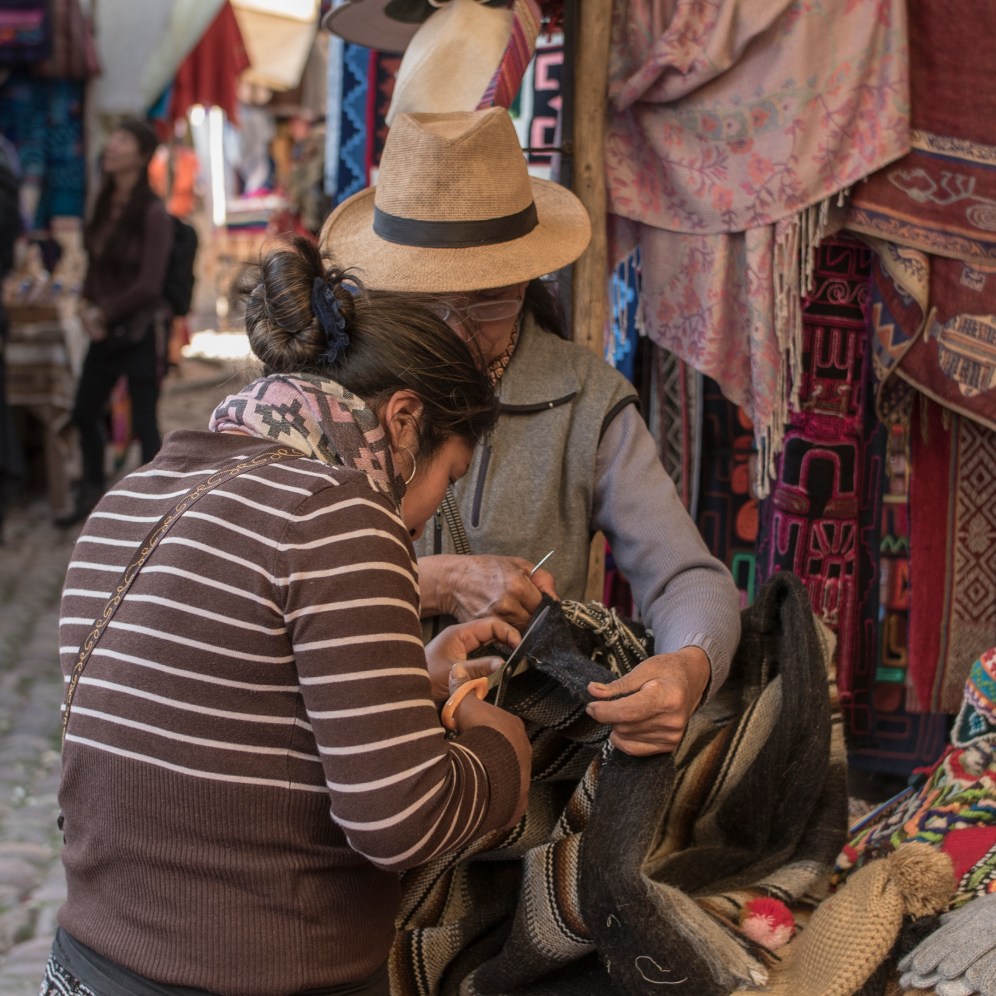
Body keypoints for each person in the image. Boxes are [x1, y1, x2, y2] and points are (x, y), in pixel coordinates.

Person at [41, 235, 532, 996]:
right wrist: (502, 747)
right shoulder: (340, 514)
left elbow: (227, 720)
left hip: (89, 967)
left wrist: (411, 684)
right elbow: (401, 819)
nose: (433, 511)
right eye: (450, 475)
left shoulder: (133, 495)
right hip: (251, 974)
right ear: (404, 420)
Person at [321, 107, 743, 756]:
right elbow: (276, 583)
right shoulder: (335, 394)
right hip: (357, 755)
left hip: (522, 760)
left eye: (488, 300)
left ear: (526, 279)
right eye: (430, 304)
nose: (457, 331)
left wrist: (688, 667)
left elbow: (687, 577)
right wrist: (433, 580)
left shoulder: (585, 400)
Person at [57, 117, 173, 527]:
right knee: (85, 413)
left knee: (145, 424)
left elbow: (149, 284)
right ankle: (91, 493)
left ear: (142, 156)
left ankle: (154, 509)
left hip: (139, 330)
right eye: (113, 140)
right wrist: (88, 308)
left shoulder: (155, 213)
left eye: (122, 141)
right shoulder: (102, 202)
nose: (112, 147)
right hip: (102, 331)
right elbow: (94, 264)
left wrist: (103, 314)